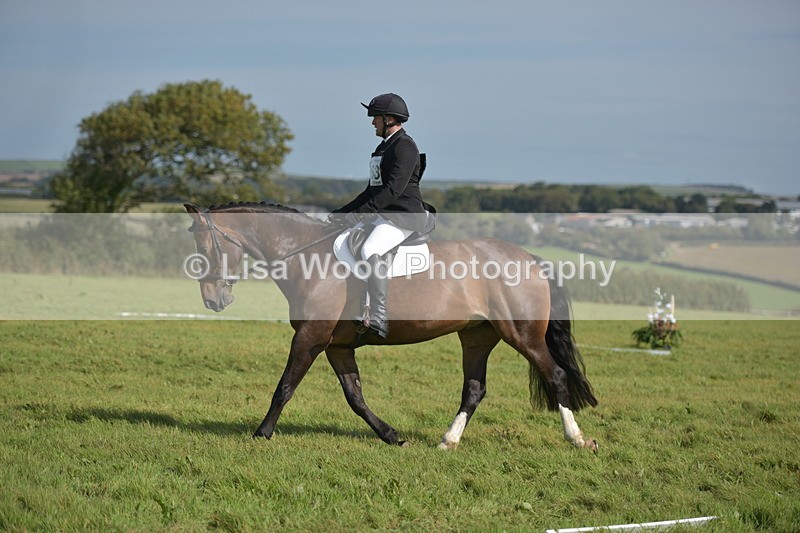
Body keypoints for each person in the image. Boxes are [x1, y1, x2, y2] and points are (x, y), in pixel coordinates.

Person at [330, 93, 430, 339]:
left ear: (388, 119)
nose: (372, 122)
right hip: (386, 215)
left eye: (375, 117)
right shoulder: (384, 147)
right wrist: (344, 212)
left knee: (369, 249)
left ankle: (379, 315)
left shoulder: (405, 146)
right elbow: (371, 190)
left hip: (403, 216)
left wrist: (361, 215)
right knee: (348, 239)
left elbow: (393, 190)